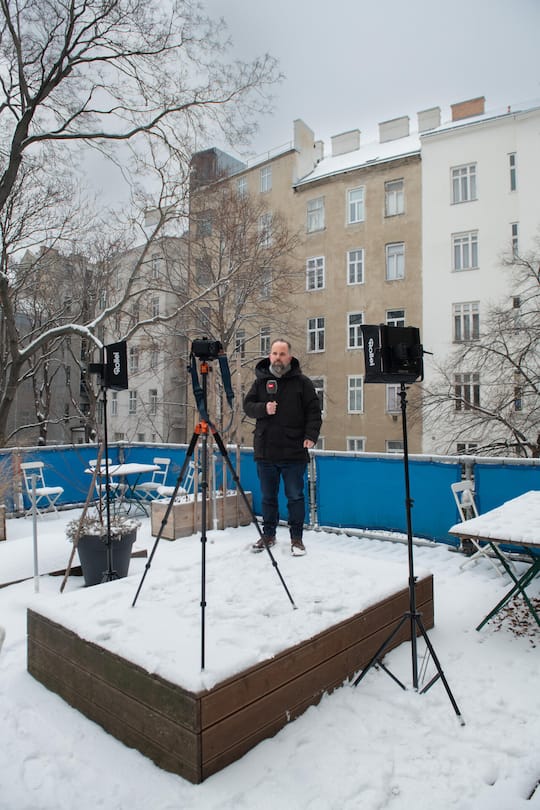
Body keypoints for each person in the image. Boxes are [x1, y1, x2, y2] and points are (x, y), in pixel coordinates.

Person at [243, 338, 322, 556]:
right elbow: (247, 406)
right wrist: (264, 408)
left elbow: (314, 412)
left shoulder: (302, 383)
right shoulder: (260, 382)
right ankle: (268, 535)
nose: (278, 358)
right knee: (268, 497)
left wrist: (311, 436)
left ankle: (297, 539)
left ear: (289, 357)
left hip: (294, 451)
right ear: (270, 356)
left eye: (282, 354)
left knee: (295, 497)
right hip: (266, 451)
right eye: (275, 353)